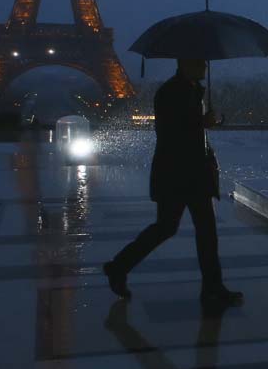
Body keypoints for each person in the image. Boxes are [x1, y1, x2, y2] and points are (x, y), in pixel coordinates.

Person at [103, 58, 243, 308]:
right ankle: (119, 266)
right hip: (181, 173)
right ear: (185, 64)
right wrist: (203, 122)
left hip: (184, 173)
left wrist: (208, 121)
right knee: (184, 230)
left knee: (188, 230)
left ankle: (120, 267)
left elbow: (183, 130)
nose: (205, 67)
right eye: (200, 63)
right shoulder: (173, 92)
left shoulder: (183, 90)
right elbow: (172, 132)